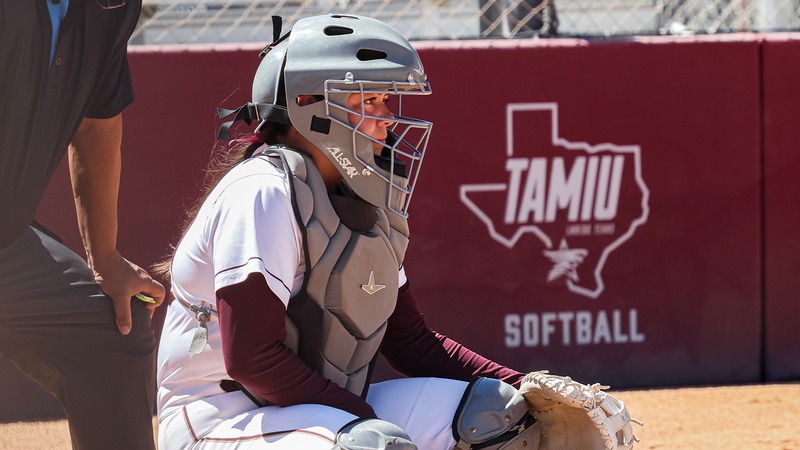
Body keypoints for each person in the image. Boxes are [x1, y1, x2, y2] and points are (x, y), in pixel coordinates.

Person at [156, 14, 634, 450]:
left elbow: (412, 343)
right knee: (375, 446)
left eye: (386, 100)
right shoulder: (262, 191)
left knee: (504, 415)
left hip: (309, 415)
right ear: (307, 104)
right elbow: (253, 358)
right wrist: (365, 422)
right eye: (370, 100)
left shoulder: (358, 196)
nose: (386, 118)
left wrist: (525, 385)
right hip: (221, 423)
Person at [0, 1, 165, 449]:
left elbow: (97, 126)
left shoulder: (112, 5)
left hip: (8, 244)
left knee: (112, 330)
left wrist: (105, 259)